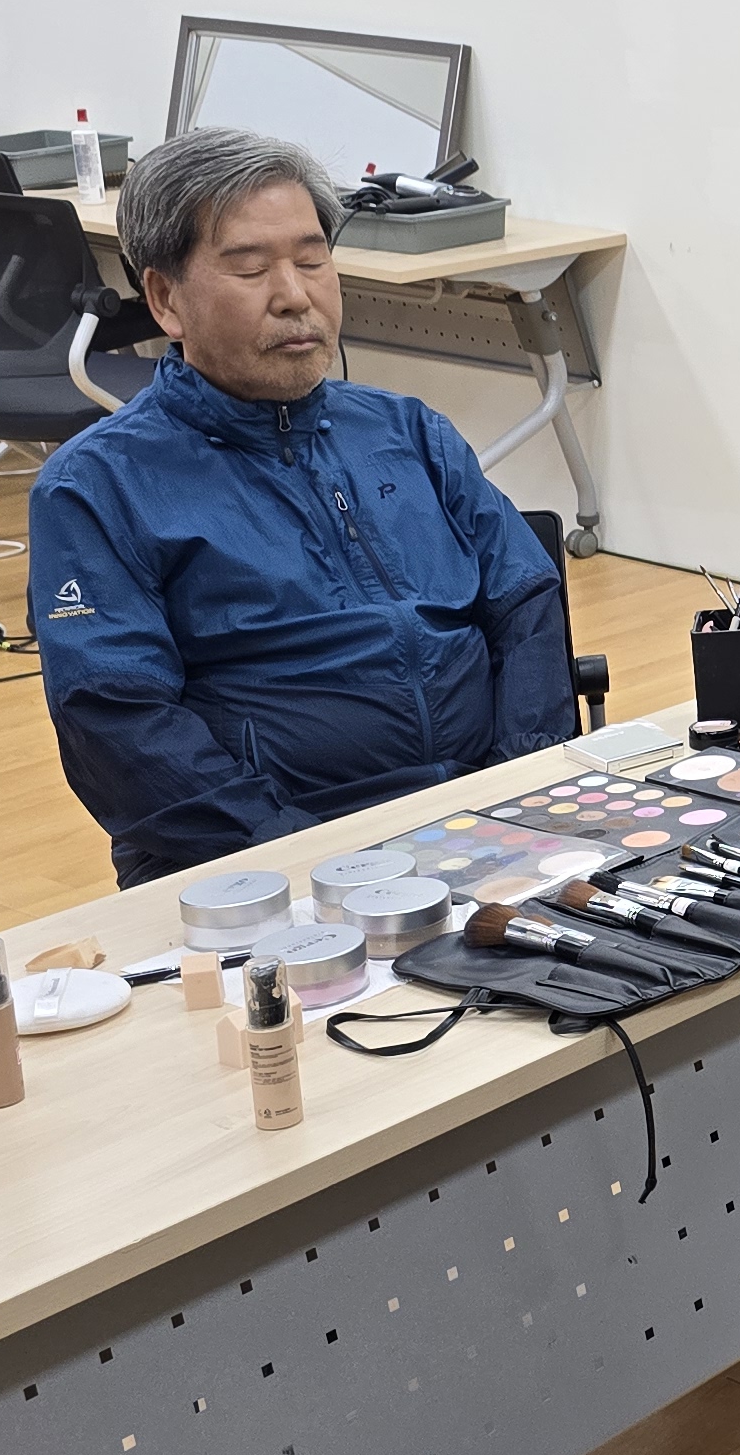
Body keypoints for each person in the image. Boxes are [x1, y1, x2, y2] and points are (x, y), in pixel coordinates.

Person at [30, 129, 570, 887]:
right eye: (251, 269)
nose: (294, 296)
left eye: (313, 261)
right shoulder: (96, 487)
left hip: (480, 820)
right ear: (165, 299)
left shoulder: (408, 432)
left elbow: (526, 601)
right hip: (265, 860)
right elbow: (117, 723)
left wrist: (519, 791)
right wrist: (304, 857)